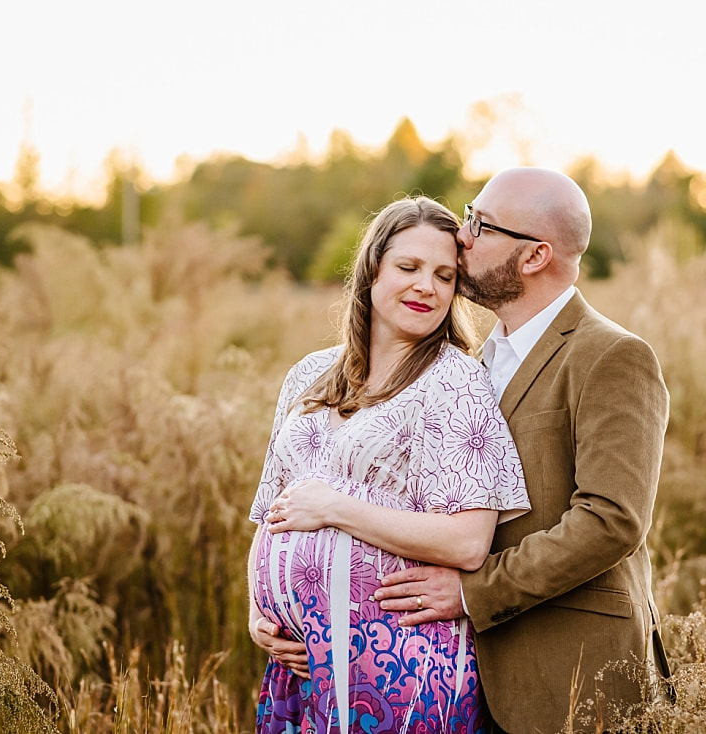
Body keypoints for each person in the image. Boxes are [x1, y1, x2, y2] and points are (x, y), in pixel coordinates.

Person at [372, 168, 673, 733]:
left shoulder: (612, 357)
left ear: (535, 257)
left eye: (480, 225)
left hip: (575, 677)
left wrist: (472, 591)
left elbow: (612, 521)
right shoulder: (474, 363)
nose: (461, 237)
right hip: (466, 678)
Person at [246, 195, 530, 734]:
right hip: (299, 667)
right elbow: (271, 512)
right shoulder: (307, 374)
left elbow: (469, 541)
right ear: (372, 269)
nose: (427, 286)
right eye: (409, 267)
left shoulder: (455, 382)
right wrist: (260, 614)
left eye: (445, 276)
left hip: (399, 664)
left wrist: (335, 509)